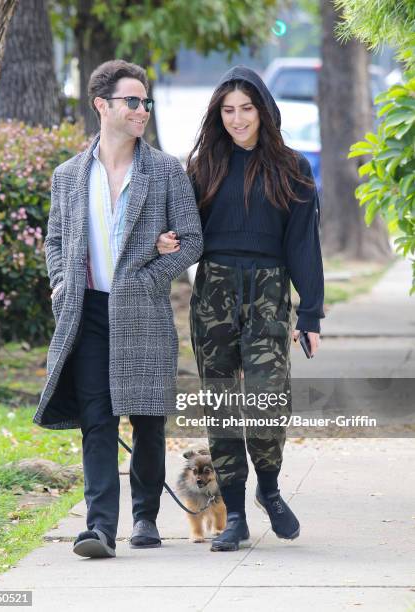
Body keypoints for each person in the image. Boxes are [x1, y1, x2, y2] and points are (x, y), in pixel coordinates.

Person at [33, 59, 203, 558]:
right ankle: (100, 527)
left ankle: (145, 518)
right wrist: (63, 284)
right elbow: (55, 238)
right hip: (85, 314)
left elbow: (191, 240)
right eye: (132, 101)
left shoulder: (166, 170)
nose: (142, 109)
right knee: (97, 419)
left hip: (144, 312)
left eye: (146, 101)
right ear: (102, 105)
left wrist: (148, 277)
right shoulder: (68, 176)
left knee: (148, 418)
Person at [156, 65, 324, 552]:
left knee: (268, 400)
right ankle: (233, 515)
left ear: (264, 111)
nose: (237, 119)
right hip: (214, 291)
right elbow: (184, 232)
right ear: (218, 114)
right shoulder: (202, 166)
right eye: (228, 110)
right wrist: (166, 241)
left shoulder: (293, 168)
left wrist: (310, 314)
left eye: (246, 109)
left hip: (270, 290)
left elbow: (304, 245)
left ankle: (267, 489)